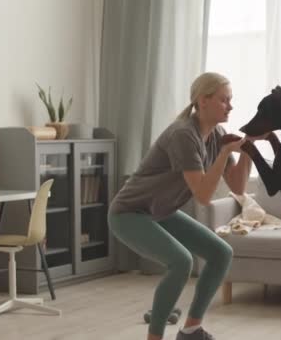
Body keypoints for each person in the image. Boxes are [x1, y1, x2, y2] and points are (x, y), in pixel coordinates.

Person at [108, 72, 259, 340]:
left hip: (160, 211)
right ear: (203, 101)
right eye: (224, 100)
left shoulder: (217, 135)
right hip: (129, 213)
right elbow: (203, 194)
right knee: (181, 262)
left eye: (231, 100)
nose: (231, 106)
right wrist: (225, 153)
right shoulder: (183, 135)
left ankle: (190, 330)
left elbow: (238, 188)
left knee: (220, 253)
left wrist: (249, 151)